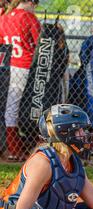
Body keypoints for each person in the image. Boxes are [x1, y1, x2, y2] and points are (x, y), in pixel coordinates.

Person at [0, 0, 41, 162]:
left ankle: (13, 149)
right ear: (30, 2)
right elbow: (41, 44)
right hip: (27, 67)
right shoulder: (29, 17)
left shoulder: (5, 17)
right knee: (35, 106)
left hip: (10, 67)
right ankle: (28, 148)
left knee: (11, 108)